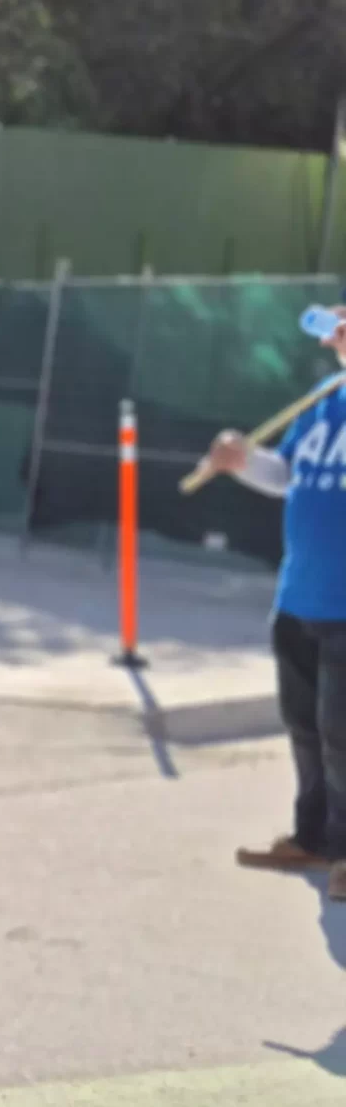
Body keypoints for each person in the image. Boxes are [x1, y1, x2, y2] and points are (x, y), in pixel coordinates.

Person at [200, 303, 346, 900]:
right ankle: (314, 838)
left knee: (343, 732)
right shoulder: (322, 401)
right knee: (305, 726)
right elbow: (285, 475)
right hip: (300, 593)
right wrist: (242, 462)